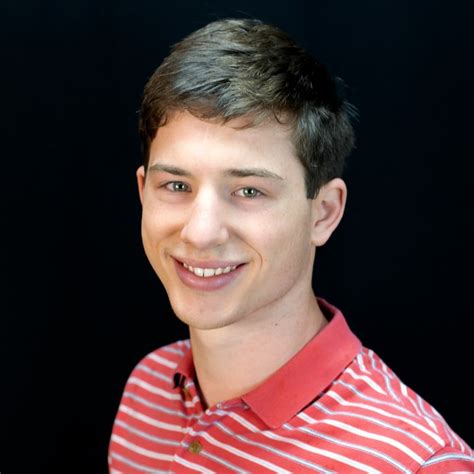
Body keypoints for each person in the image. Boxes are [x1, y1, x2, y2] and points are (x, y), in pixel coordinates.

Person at [109, 18, 473, 473]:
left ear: (323, 212)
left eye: (248, 191)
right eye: (177, 186)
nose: (201, 232)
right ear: (143, 193)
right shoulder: (147, 393)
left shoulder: (418, 462)